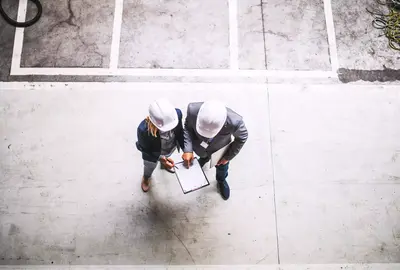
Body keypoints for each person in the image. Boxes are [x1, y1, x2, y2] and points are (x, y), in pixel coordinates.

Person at [182, 100, 248, 200]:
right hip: (199, 147)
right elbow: (187, 128)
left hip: (220, 151)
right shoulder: (192, 110)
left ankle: (221, 180)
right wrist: (188, 150)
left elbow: (242, 137)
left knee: (222, 168)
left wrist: (227, 157)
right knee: (203, 156)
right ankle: (203, 159)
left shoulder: (235, 122)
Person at [136, 99, 184, 192]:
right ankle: (146, 177)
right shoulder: (143, 130)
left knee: (168, 155)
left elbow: (180, 132)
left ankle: (164, 161)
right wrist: (161, 159)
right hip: (153, 153)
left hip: (170, 146)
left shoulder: (177, 114)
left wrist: (186, 150)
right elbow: (147, 152)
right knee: (149, 166)